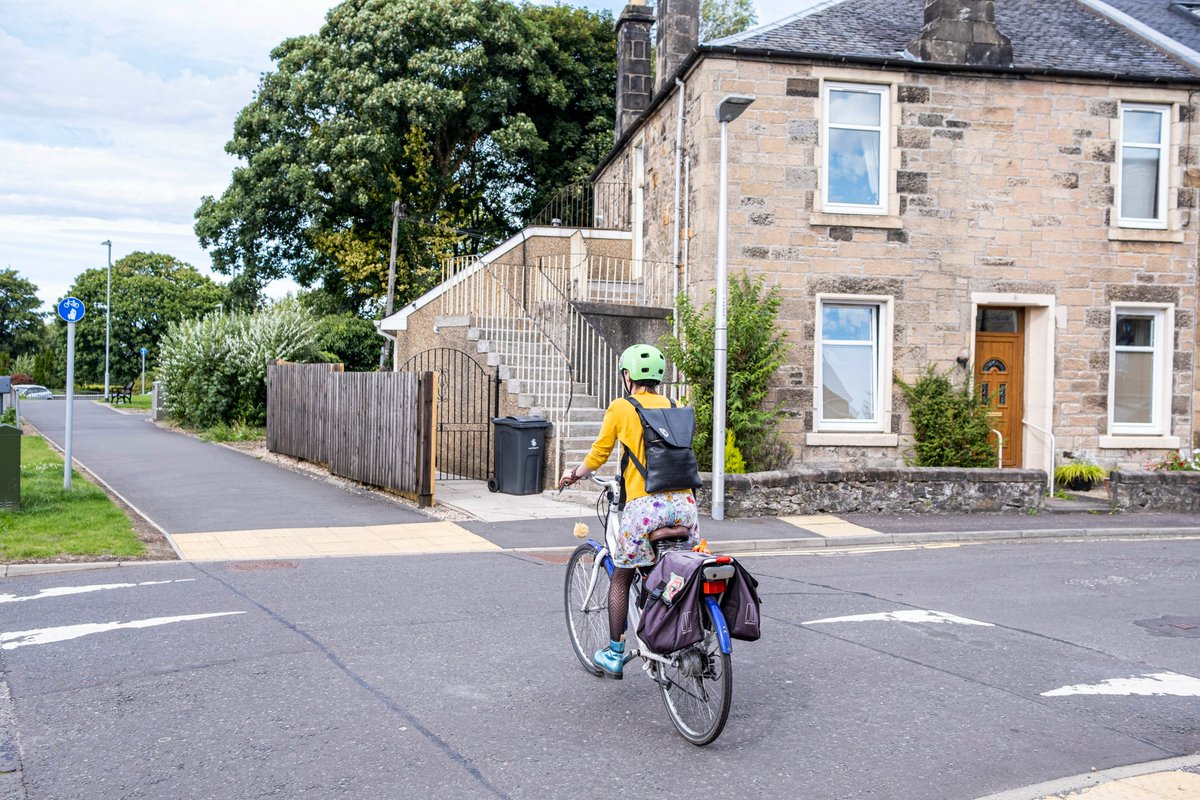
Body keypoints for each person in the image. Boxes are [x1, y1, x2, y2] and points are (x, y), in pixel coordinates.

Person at [558, 343, 700, 678]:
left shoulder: (622, 408)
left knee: (621, 574)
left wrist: (573, 474)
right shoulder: (677, 405)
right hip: (685, 508)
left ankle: (615, 652)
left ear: (627, 376)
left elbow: (599, 454)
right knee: (675, 570)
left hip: (646, 509)